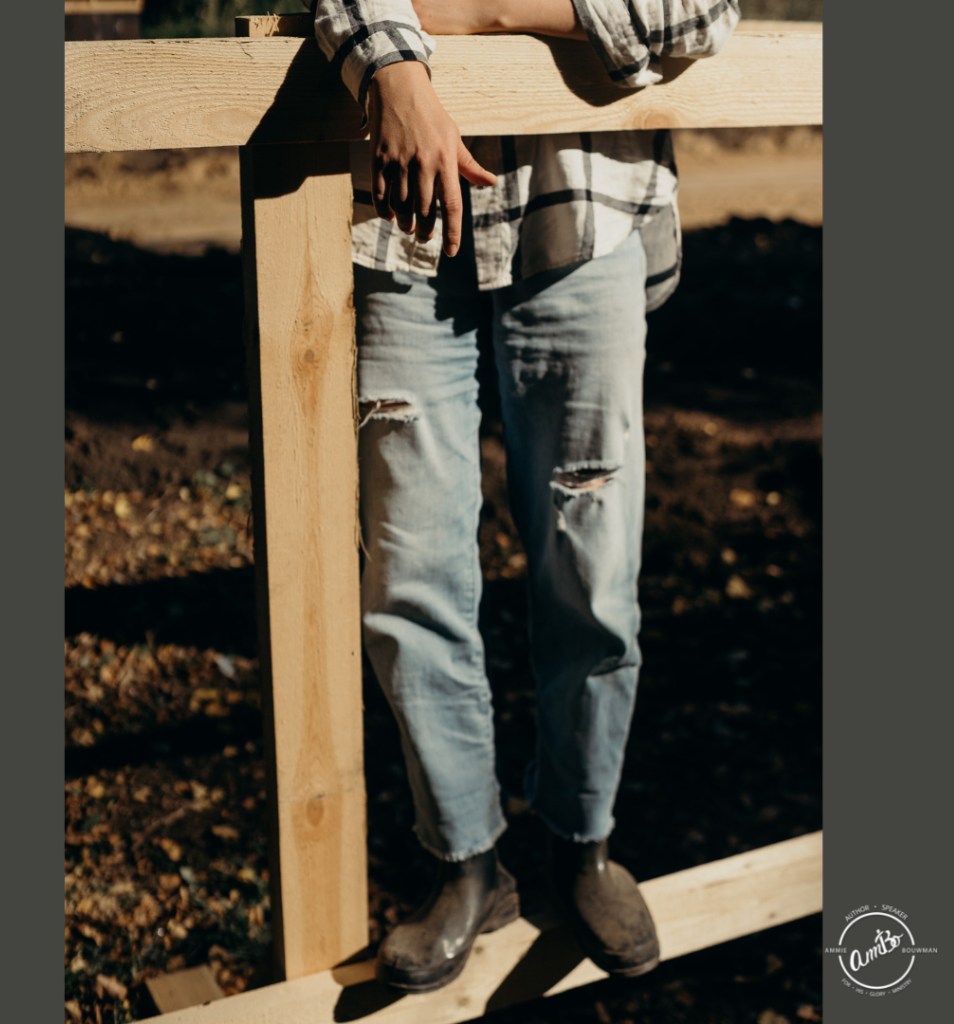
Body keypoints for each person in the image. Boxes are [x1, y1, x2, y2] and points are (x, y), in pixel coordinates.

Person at [308, 0, 741, 993]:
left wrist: (481, 10)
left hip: (582, 211)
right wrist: (394, 70)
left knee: (593, 567)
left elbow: (702, 7)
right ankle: (466, 863)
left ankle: (581, 843)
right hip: (400, 221)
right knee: (410, 567)